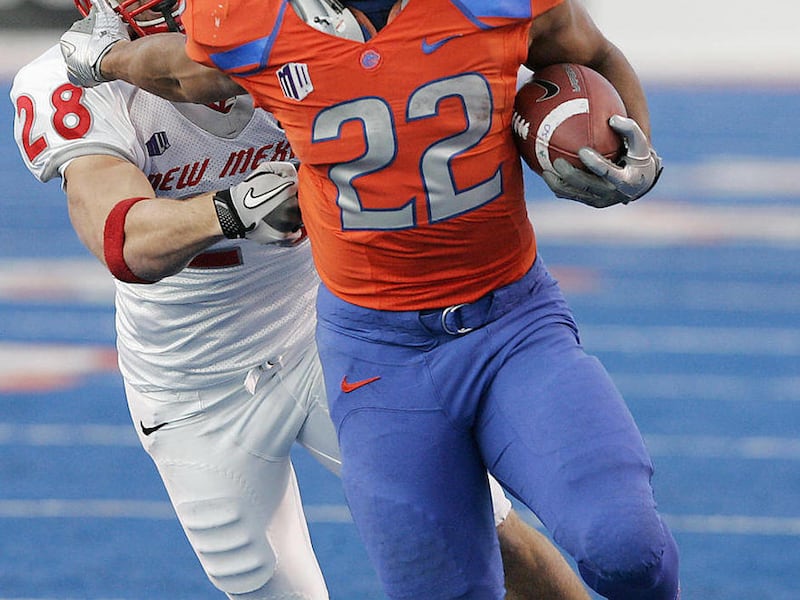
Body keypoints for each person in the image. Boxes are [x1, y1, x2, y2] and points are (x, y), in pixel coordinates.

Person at [59, 0, 681, 598]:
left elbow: (591, 51)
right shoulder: (246, 21)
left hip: (508, 323)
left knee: (628, 549)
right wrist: (105, 61)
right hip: (370, 357)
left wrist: (636, 151)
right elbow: (176, 74)